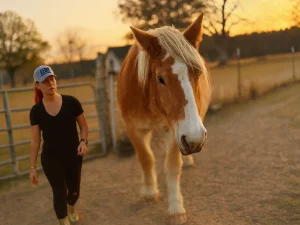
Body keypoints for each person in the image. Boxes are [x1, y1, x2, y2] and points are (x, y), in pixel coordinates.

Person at [29, 65, 89, 225]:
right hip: (51, 159)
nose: (51, 83)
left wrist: (83, 142)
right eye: (45, 81)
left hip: (73, 156)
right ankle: (63, 221)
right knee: (59, 192)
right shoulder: (36, 111)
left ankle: (71, 207)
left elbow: (83, 126)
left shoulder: (71, 102)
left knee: (74, 192)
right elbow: (35, 141)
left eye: (52, 79)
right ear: (37, 85)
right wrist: (32, 168)